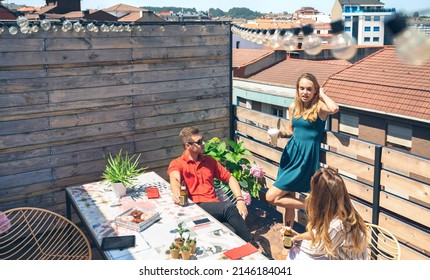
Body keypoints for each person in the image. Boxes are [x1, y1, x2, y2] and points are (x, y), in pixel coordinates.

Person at [265, 73, 339, 258]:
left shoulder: (320, 107)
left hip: (305, 159)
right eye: (302, 88)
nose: (305, 92)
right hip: (290, 156)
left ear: (315, 91)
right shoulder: (293, 107)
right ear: (297, 90)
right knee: (287, 203)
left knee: (271, 197)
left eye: (309, 88)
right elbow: (291, 131)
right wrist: (278, 134)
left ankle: (309, 205)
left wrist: (322, 94)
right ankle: (287, 243)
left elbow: (335, 108)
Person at [167, 126, 253, 243]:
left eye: (203, 139)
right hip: (197, 208)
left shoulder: (209, 161)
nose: (204, 143)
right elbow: (174, 178)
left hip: (214, 207)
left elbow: (230, 178)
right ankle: (254, 246)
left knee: (231, 231)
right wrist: (176, 190)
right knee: (229, 208)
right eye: (199, 142)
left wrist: (240, 199)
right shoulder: (177, 163)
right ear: (187, 145)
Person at [286, 167, 368, 260]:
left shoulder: (337, 225)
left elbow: (315, 250)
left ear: (320, 197)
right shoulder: (347, 207)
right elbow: (320, 234)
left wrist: (293, 242)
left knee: (294, 255)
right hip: (339, 255)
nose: (311, 194)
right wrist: (298, 236)